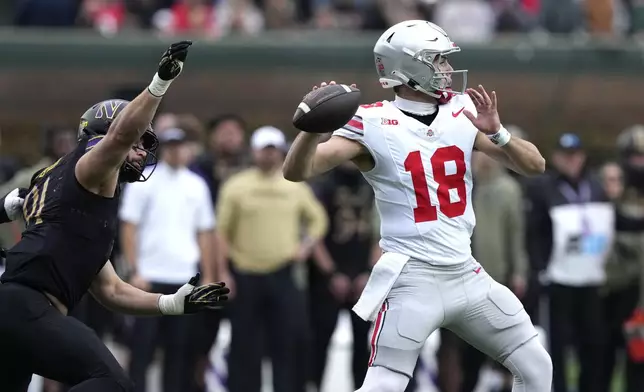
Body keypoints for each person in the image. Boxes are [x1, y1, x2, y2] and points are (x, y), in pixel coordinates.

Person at [283, 20, 552, 392]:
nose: (445, 68)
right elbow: (298, 171)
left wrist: (497, 132)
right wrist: (310, 131)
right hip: (412, 278)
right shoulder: (371, 121)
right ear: (406, 69)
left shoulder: (463, 110)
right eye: (436, 59)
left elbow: (535, 166)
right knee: (385, 384)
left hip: (465, 273)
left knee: (537, 366)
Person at [0, 41, 229, 392]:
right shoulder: (91, 164)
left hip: (18, 309)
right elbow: (121, 135)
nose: (140, 153)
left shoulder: (81, 195)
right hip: (28, 306)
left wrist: (169, 303)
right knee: (111, 383)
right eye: (137, 143)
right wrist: (159, 84)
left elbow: (110, 289)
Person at [217, 126, 327, 392]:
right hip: (245, 274)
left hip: (283, 273)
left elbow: (318, 220)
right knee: (244, 344)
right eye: (264, 150)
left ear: (281, 153)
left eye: (273, 151)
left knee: (287, 343)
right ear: (254, 152)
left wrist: (306, 247)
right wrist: (223, 271)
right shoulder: (236, 186)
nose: (269, 156)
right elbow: (221, 232)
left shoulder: (295, 185)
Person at [119, 128, 217, 392]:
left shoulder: (197, 184)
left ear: (188, 148)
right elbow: (129, 227)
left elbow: (205, 232)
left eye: (180, 145)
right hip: (149, 279)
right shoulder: (145, 181)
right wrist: (134, 269)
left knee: (180, 351)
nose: (176, 151)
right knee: (142, 350)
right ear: (163, 149)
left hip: (184, 279)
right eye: (171, 145)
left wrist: (208, 275)